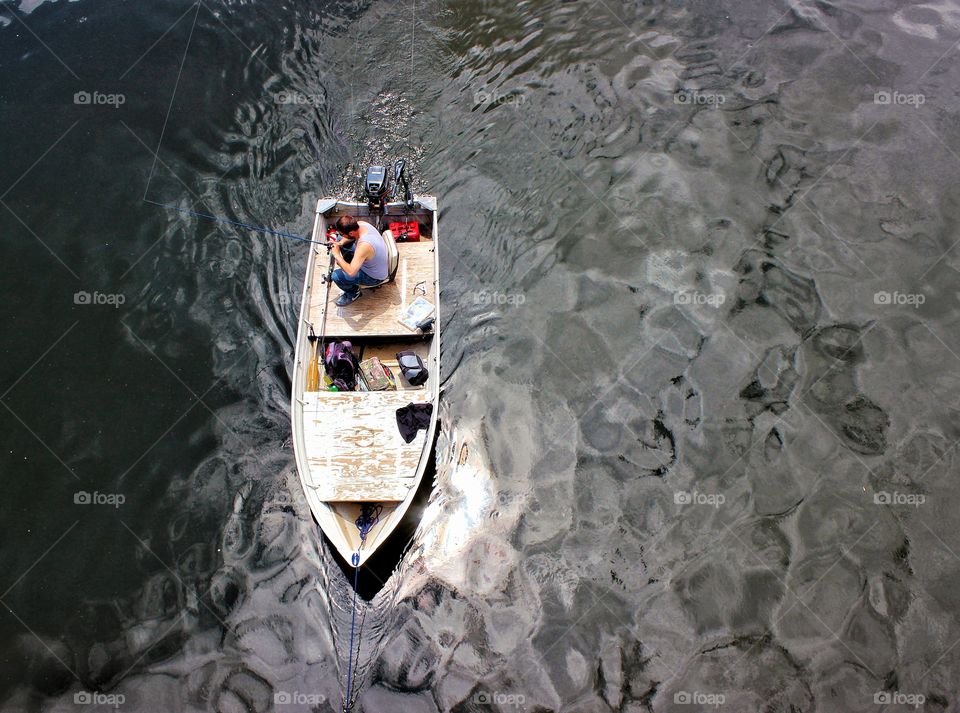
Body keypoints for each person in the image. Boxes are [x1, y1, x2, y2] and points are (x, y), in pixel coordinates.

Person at [329, 216, 390, 306]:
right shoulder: (361, 224)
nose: (341, 235)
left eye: (342, 234)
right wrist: (340, 243)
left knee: (336, 276)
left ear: (351, 233)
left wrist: (337, 255)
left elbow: (351, 272)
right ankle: (349, 262)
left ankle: (354, 293)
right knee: (339, 239)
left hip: (374, 277)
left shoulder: (364, 245)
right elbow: (349, 237)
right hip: (374, 262)